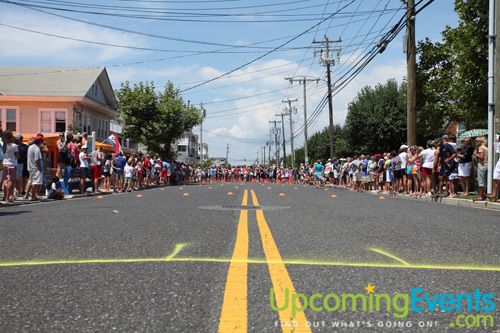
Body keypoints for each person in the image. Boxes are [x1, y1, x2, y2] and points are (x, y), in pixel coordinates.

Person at [1, 130, 19, 202]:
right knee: (11, 181)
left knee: (5, 181)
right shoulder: (14, 145)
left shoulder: (3, 145)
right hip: (12, 164)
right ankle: (7, 198)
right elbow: (17, 155)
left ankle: (5, 197)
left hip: (4, 164)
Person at [24, 135, 44, 201]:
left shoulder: (30, 147)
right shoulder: (37, 149)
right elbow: (37, 160)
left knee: (31, 181)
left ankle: (28, 195)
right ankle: (33, 196)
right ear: (40, 141)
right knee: (35, 183)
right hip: (36, 168)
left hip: (30, 167)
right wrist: (40, 168)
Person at [473, 136, 488, 201]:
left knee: (481, 181)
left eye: (476, 141)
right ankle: (483, 195)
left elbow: (481, 158)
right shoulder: (487, 147)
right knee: (485, 181)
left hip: (482, 165)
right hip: (487, 165)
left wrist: (475, 154)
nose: (475, 142)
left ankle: (481, 196)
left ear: (481, 141)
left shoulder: (481, 147)